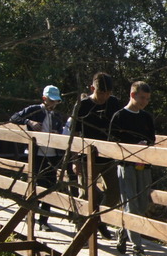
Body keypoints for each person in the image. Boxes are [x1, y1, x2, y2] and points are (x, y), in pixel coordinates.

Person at [70, 72, 122, 239]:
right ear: (93, 88)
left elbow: (121, 128)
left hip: (108, 157)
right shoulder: (82, 105)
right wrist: (75, 160)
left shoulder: (114, 103)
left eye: (108, 93)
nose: (104, 97)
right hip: (86, 158)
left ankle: (99, 221)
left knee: (115, 192)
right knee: (85, 194)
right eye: (101, 93)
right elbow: (74, 134)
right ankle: (81, 232)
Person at [108, 81, 156, 256]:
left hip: (144, 166)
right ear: (133, 95)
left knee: (143, 204)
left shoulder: (147, 118)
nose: (145, 102)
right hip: (126, 166)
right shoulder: (119, 116)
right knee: (131, 205)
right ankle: (138, 248)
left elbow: (152, 139)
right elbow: (113, 141)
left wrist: (146, 146)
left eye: (147, 99)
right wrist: (132, 147)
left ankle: (122, 230)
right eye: (142, 97)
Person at [10, 85, 68, 232]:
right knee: (35, 186)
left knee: (50, 187)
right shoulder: (34, 110)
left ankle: (44, 221)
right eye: (51, 101)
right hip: (36, 155)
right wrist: (29, 122)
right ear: (44, 99)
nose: (54, 104)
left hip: (52, 155)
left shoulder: (56, 115)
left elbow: (61, 130)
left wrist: (57, 132)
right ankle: (30, 215)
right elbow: (14, 117)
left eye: (56, 101)